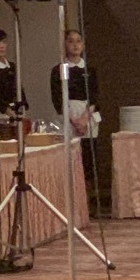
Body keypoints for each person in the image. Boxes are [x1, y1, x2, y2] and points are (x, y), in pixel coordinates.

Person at [50, 29, 101, 187]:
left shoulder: (90, 70)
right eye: (71, 41)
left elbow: (95, 96)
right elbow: (57, 98)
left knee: (88, 157)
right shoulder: (58, 70)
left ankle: (88, 192)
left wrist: (84, 119)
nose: (75, 45)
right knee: (70, 157)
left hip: (87, 114)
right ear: (65, 44)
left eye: (78, 41)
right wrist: (74, 121)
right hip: (68, 115)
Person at [0, 27, 29, 118]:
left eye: (4, 42)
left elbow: (19, 88)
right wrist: (5, 109)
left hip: (16, 110)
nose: (2, 46)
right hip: (0, 113)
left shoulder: (12, 66)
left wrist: (23, 105)